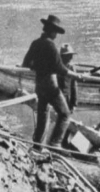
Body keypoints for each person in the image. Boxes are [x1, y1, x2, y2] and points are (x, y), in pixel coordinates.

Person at [21, 14, 81, 148]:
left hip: (39, 85)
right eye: (56, 32)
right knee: (65, 114)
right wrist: (74, 76)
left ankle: (38, 145)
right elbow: (60, 68)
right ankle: (55, 143)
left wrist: (37, 66)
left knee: (43, 114)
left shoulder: (35, 43)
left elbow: (26, 63)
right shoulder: (51, 46)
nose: (56, 35)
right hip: (50, 86)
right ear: (51, 30)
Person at [58, 43, 78, 114]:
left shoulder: (71, 67)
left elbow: (74, 86)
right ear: (62, 57)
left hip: (67, 97)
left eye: (71, 55)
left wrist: (74, 103)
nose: (71, 58)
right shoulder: (57, 66)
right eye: (69, 56)